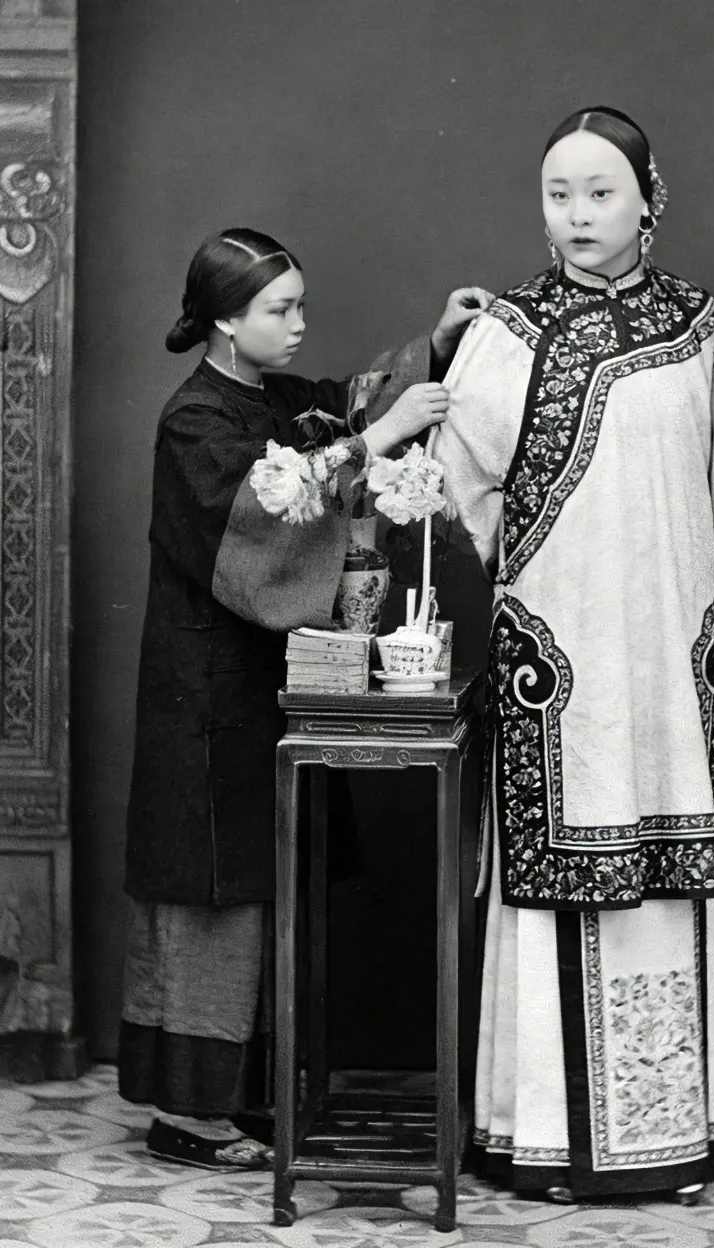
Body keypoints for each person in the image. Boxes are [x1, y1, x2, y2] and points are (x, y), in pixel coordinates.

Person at [433, 108, 714, 1203]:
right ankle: (546, 1143)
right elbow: (450, 486)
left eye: (601, 192)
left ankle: (684, 1138)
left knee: (672, 871)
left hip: (671, 662)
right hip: (558, 677)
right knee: (560, 878)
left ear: (650, 198)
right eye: (558, 193)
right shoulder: (509, 331)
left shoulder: (701, 328)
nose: (578, 215)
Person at [119, 227, 493, 1169]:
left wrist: (437, 343)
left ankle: (237, 1097)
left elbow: (344, 407)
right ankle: (187, 1115)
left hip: (261, 691)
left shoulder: (272, 398)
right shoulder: (192, 422)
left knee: (260, 889)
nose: (296, 325)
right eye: (278, 309)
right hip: (203, 696)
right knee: (212, 897)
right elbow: (260, 519)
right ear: (223, 320)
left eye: (298, 306)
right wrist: (378, 440)